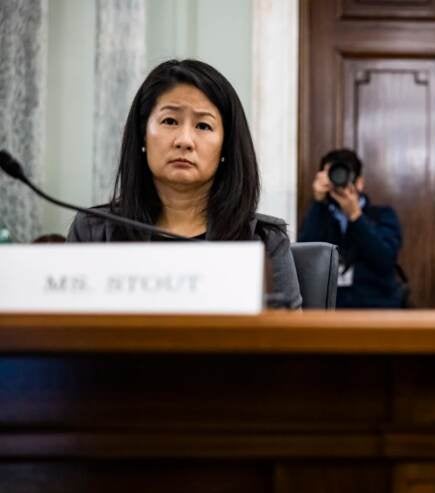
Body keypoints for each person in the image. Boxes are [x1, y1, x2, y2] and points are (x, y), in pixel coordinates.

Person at [67, 59, 301, 309]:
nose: (184, 140)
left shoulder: (262, 241)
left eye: (203, 125)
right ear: (143, 134)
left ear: (225, 147)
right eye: (170, 121)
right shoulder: (94, 232)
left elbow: (287, 344)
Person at [298, 149, 403, 308]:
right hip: (327, 312)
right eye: (331, 175)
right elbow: (306, 258)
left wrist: (356, 217)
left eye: (342, 173)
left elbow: (385, 260)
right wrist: (318, 203)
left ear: (359, 182)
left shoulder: (383, 216)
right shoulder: (320, 216)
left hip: (376, 310)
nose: (337, 180)